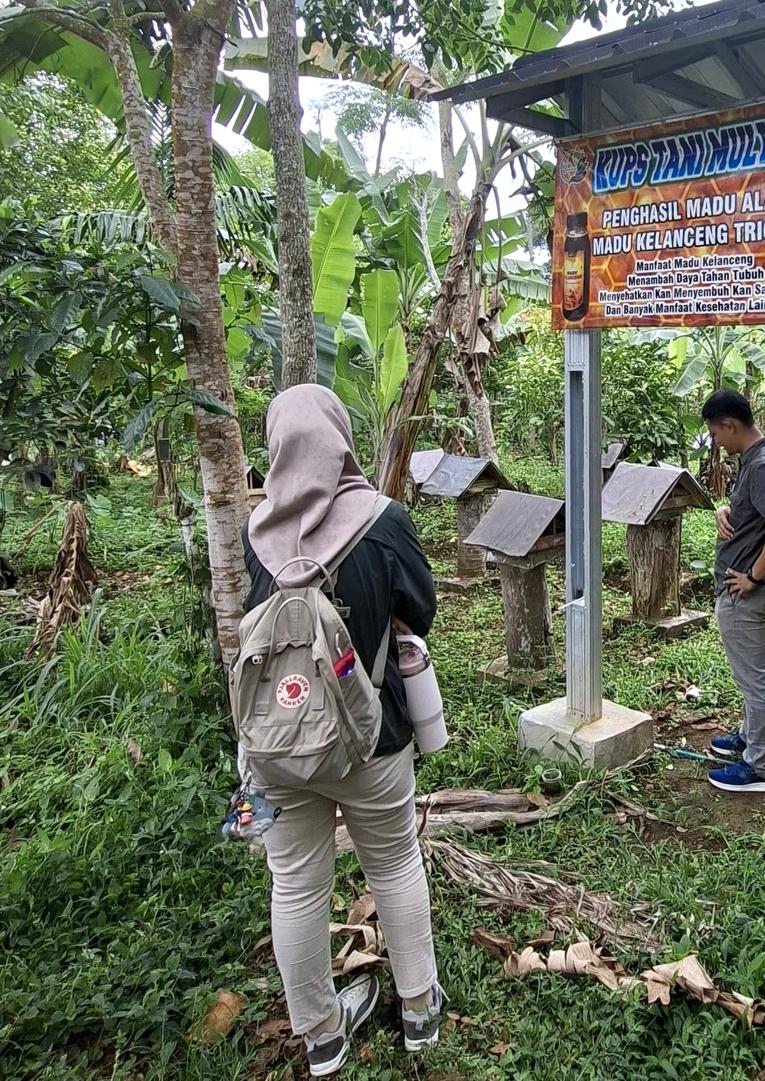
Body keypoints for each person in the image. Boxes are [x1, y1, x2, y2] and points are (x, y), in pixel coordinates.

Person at [243, 385, 445, 1077]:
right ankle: (418, 1009)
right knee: (393, 863)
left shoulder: (256, 532)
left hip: (275, 747)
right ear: (340, 437)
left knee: (296, 885)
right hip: (372, 737)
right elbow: (421, 610)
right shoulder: (383, 520)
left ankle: (322, 1035)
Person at [700, 389, 765, 793]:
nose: (716, 442)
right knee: (749, 676)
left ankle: (759, 767)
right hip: (744, 589)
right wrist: (727, 510)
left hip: (747, 593)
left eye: (715, 434)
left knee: (755, 681)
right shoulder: (755, 458)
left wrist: (753, 577)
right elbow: (758, 513)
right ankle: (748, 735)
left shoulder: (763, 464)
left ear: (730, 425)